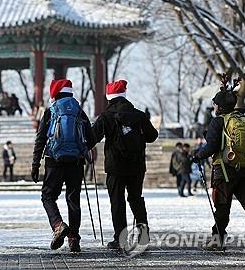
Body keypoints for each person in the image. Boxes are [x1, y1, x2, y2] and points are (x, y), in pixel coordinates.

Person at [193, 74, 245, 253]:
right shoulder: (244, 119)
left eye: (215, 104)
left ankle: (217, 240)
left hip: (225, 170)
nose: (214, 107)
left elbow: (212, 145)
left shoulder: (218, 121)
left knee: (222, 207)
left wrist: (198, 155)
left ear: (220, 106)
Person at [91, 80, 158, 250]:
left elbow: (92, 138)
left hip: (115, 167)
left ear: (109, 97)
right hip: (136, 165)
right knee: (136, 199)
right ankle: (143, 234)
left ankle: (119, 238)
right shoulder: (139, 115)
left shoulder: (106, 116)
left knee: (117, 201)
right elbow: (152, 136)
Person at [31, 79, 95, 253]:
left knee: (48, 196)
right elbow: (91, 138)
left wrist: (35, 164)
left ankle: (58, 225)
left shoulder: (51, 111)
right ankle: (74, 239)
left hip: (54, 160)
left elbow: (40, 139)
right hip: (76, 162)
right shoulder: (79, 111)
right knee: (73, 199)